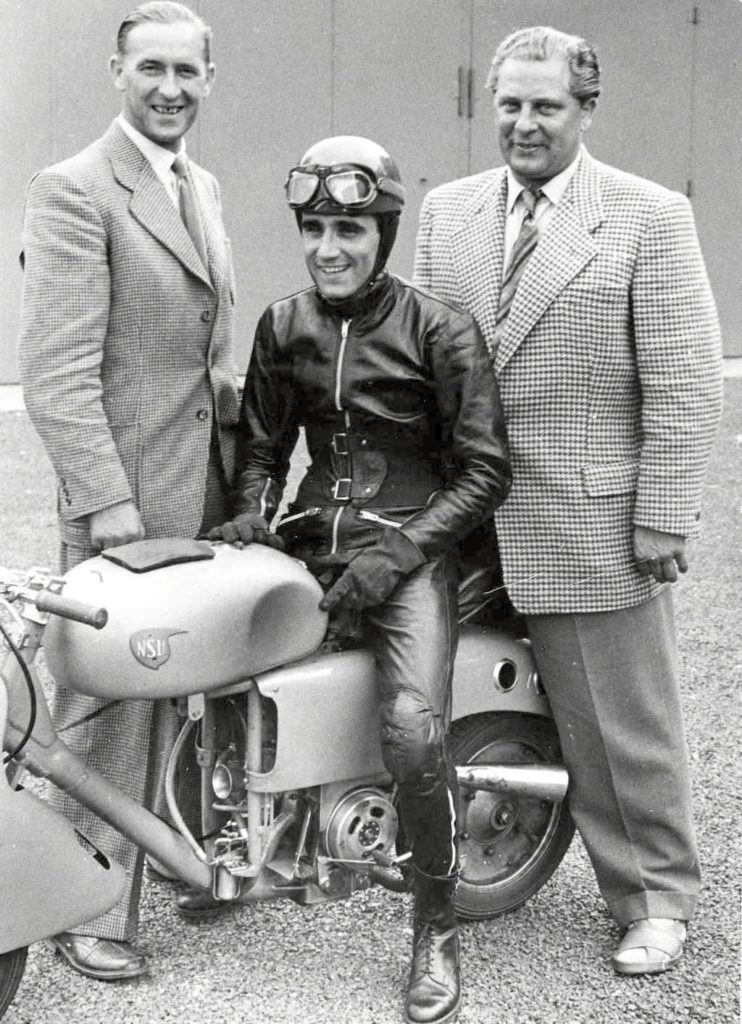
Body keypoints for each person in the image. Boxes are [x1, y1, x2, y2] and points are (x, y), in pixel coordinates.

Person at [413, 25, 723, 976]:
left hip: (586, 517)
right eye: (509, 103)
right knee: (417, 688)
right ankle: (443, 861)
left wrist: (662, 510)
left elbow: (682, 377)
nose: (525, 123)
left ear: (587, 109)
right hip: (466, 514)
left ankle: (653, 899)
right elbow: (421, 364)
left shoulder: (646, 216)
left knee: (620, 723)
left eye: (547, 105)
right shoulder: (450, 212)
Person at [207, 135, 510, 1024]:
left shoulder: (440, 328)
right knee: (206, 670)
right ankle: (224, 859)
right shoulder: (283, 323)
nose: (328, 247)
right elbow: (260, 446)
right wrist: (253, 513)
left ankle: (437, 924)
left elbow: (485, 471)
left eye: (348, 227)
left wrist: (399, 552)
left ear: (382, 231)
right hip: (308, 545)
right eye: (313, 228)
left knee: (414, 730)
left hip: (409, 554)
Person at [18, 1, 239, 980]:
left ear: (209, 78)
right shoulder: (74, 189)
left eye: (187, 72)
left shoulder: (204, 186)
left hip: (198, 490)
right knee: (103, 705)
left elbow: (197, 355)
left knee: (179, 690)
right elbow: (56, 373)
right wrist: (107, 506)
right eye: (150, 68)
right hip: (124, 504)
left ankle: (170, 858)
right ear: (116, 71)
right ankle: (84, 907)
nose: (169, 89)